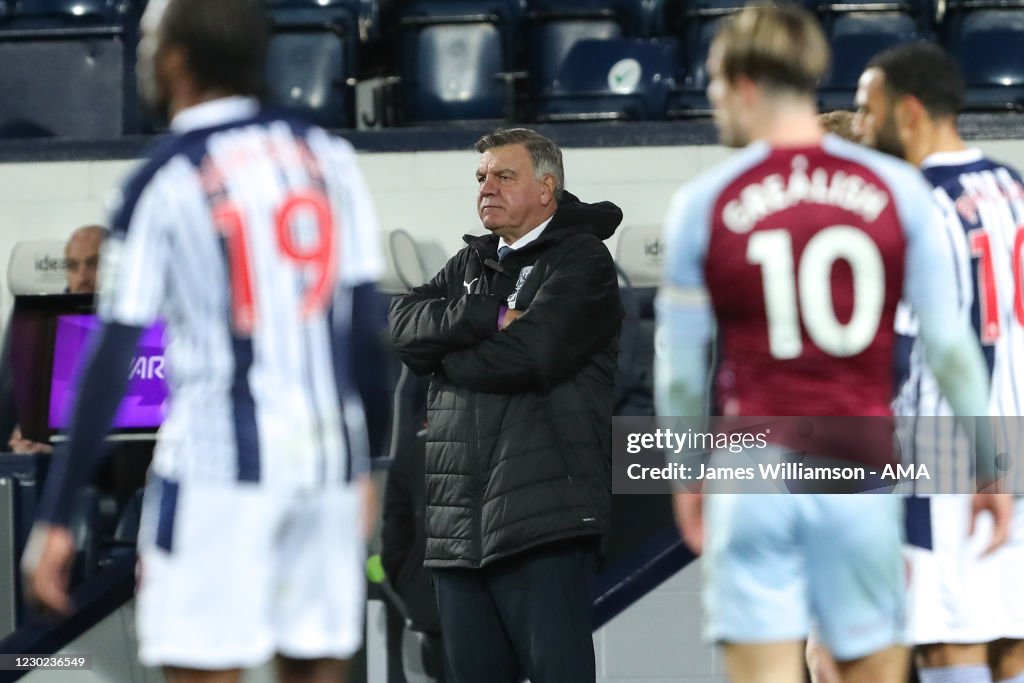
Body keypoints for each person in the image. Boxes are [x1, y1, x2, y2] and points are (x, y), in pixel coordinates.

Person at [21, 1, 388, 682]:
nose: (140, 56)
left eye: (149, 40)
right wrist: (367, 465)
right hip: (326, 466)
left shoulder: (162, 179)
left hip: (219, 472)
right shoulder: (328, 158)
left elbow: (109, 355)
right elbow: (366, 333)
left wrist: (56, 512)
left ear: (178, 59)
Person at [655, 5, 1011, 683]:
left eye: (714, 81)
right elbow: (951, 347)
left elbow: (678, 368)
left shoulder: (704, 200)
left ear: (747, 84)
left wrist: (684, 471)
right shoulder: (897, 189)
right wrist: (991, 466)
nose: (710, 97)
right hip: (859, 462)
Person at [388, 127, 622, 683]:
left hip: (543, 520)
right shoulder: (468, 265)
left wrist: (446, 362)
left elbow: (534, 354)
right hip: (458, 528)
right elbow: (400, 325)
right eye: (481, 177)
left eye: (503, 175)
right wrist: (486, 318)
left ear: (546, 189)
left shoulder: (582, 261)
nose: (486, 187)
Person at [851, 41, 1024, 683]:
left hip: (942, 451)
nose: (861, 128)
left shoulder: (910, 201)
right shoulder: (1009, 183)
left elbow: (896, 353)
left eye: (868, 112)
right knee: (1010, 632)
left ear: (910, 112)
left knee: (947, 641)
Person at [4, 224, 109, 455]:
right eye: (73, 266)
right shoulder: (38, 321)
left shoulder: (134, 320)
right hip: (44, 453)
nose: (82, 277)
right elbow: (10, 403)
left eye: (93, 264)